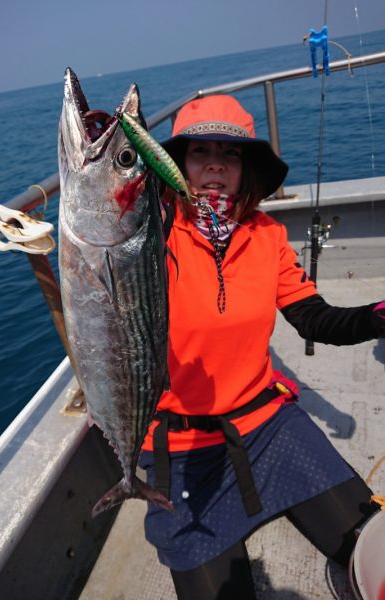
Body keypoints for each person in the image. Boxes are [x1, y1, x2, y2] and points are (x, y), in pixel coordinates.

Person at [138, 95, 385, 600]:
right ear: (176, 165)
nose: (213, 163)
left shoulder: (268, 236)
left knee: (373, 550)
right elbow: (108, 220)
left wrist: (377, 316)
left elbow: (314, 317)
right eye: (198, 151)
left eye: (229, 153)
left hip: (269, 425)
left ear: (245, 167)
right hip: (182, 449)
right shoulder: (151, 234)